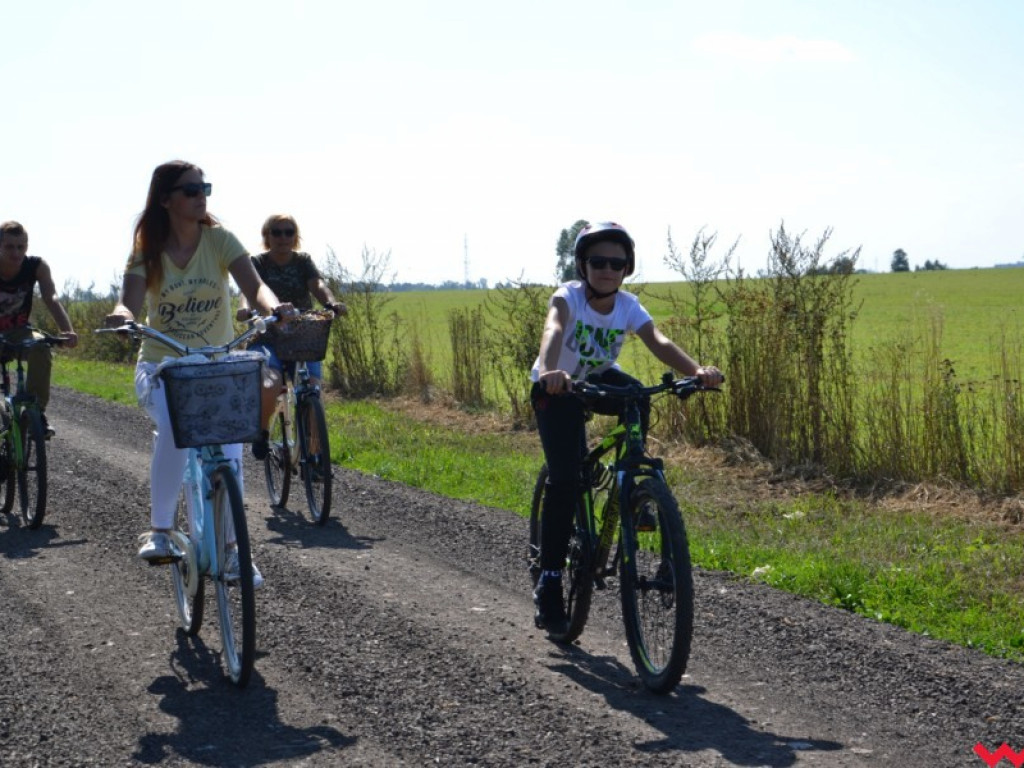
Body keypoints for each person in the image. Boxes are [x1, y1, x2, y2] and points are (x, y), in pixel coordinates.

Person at [105, 161, 293, 587]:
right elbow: (128, 302)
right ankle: (161, 531)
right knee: (176, 426)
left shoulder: (220, 240)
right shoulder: (146, 250)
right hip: (164, 366)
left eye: (203, 187)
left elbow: (256, 287)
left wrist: (272, 306)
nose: (200, 195)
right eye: (190, 189)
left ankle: (231, 552)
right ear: (166, 199)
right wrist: (121, 316)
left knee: (230, 448)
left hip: (216, 365)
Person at [530, 221, 723, 635]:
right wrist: (549, 370)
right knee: (565, 480)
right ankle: (548, 581)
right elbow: (554, 329)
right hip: (558, 387)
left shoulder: (628, 305)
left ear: (627, 268)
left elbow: (659, 341)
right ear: (583, 265)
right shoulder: (569, 296)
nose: (607, 269)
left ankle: (632, 483)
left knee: (637, 395)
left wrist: (697, 371)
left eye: (616, 263)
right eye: (598, 261)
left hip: (598, 378)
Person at [235, 214, 345, 459]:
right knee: (270, 381)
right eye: (277, 232)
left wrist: (331, 302)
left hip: (302, 334)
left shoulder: (303, 261)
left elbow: (318, 285)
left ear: (295, 236)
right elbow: (250, 290)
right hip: (268, 335)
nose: (283, 237)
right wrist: (244, 309)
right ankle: (262, 432)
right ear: (267, 236)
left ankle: (315, 457)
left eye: (289, 231)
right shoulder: (257, 262)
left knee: (313, 389)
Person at [0, 221, 79, 436]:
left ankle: (36, 411)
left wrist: (67, 331)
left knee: (41, 346)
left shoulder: (36, 266)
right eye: (9, 247)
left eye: (21, 246)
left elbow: (51, 298)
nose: (16, 253)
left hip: (19, 332)